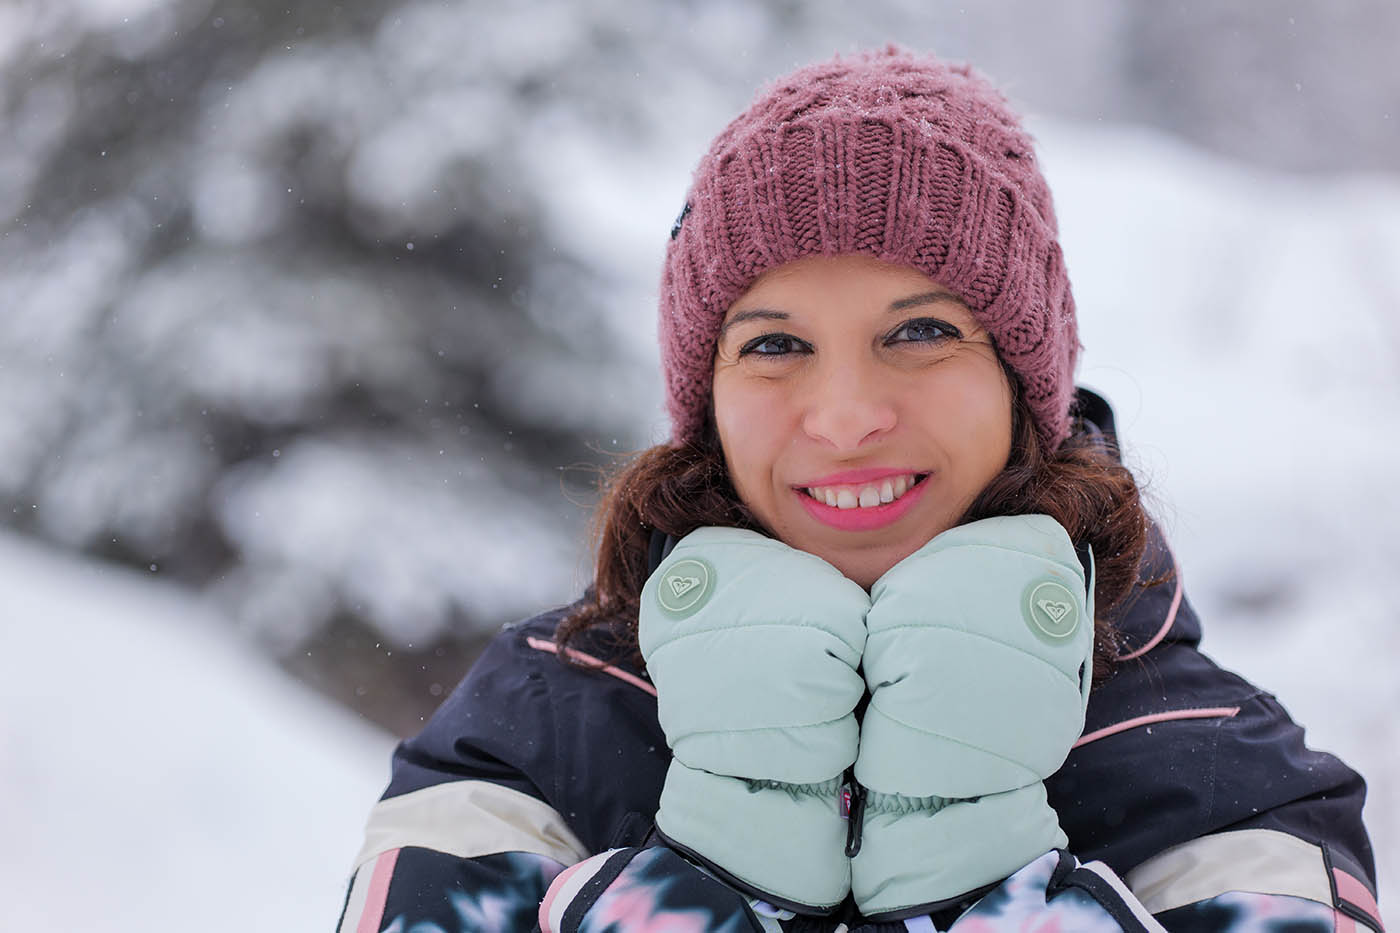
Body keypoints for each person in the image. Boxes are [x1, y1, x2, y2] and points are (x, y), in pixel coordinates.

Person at [335, 48, 1383, 932]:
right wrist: (718, 865)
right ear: (705, 398)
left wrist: (979, 864)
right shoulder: (534, 723)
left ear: (1026, 383)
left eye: (919, 332)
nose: (842, 415)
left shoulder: (1222, 771)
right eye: (774, 344)